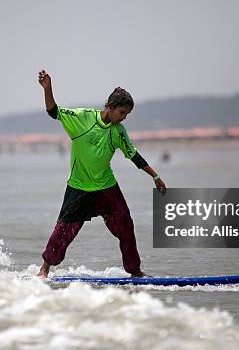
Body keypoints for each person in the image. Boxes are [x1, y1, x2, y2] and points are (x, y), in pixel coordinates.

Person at [36, 69, 167, 278]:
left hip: (106, 188)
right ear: (111, 107)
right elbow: (54, 111)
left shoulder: (118, 131)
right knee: (63, 230)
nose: (123, 118)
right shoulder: (82, 119)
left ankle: (135, 272)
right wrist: (48, 88)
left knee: (126, 225)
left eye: (127, 115)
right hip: (78, 187)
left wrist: (155, 176)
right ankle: (44, 269)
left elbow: (133, 156)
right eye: (122, 113)